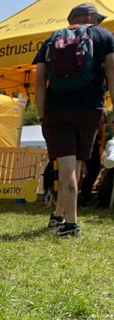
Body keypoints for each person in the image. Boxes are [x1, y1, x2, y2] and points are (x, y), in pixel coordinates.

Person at [34, 3, 114, 237]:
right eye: (96, 18)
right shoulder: (104, 36)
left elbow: (39, 82)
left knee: (68, 164)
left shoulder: (50, 40)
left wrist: (41, 113)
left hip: (57, 109)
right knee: (77, 163)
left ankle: (66, 219)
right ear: (89, 16)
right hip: (90, 108)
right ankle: (66, 219)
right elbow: (111, 73)